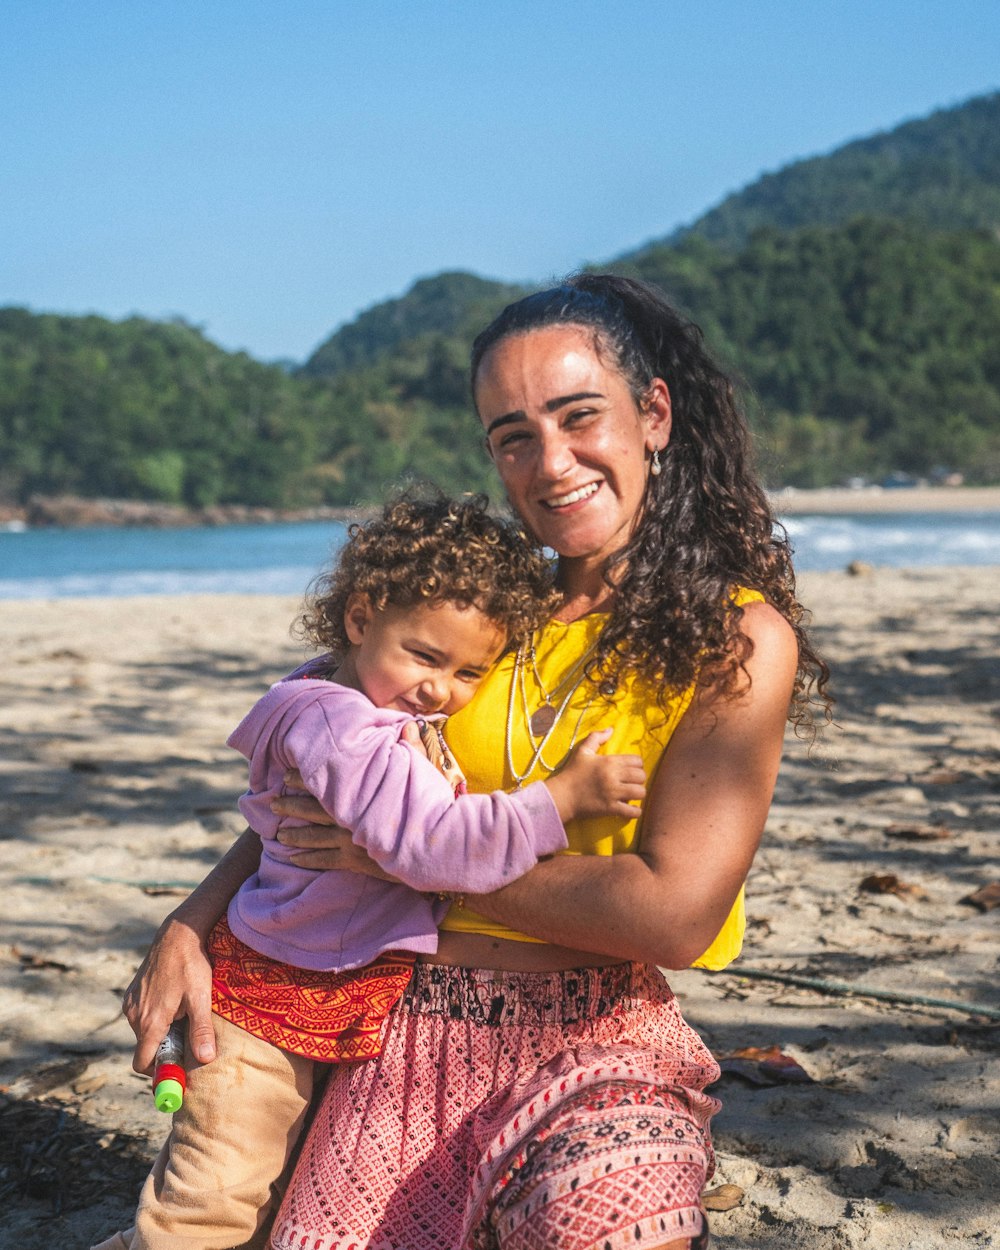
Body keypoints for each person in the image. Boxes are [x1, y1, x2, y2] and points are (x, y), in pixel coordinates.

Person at [121, 273, 828, 1250]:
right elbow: (323, 785)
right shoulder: (468, 617)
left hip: (596, 1034)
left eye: (580, 416)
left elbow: (672, 909)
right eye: (512, 435)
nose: (551, 460)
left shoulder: (733, 636)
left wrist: (402, 860)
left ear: (653, 413)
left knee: (606, 1225)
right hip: (392, 1033)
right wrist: (190, 923)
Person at [94, 494, 646, 1250]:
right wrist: (560, 800)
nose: (441, 689)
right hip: (266, 1009)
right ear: (361, 619)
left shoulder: (347, 694)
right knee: (212, 1204)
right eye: (425, 655)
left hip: (329, 986)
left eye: (470, 671)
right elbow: (432, 847)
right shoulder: (349, 729)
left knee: (261, 1201)